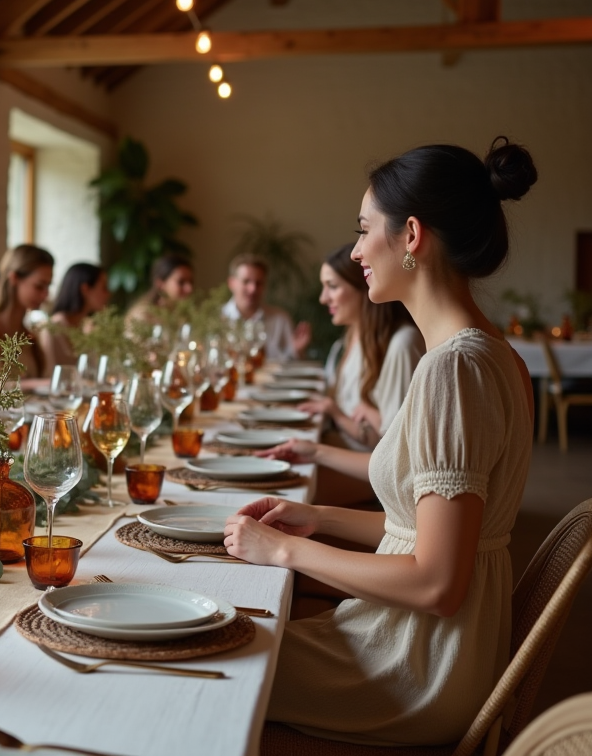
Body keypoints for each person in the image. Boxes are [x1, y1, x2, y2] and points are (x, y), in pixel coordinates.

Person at [227, 138, 537, 746]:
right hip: (419, 649)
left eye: (365, 229)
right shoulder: (490, 355)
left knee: (200, 655)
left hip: (413, 669)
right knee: (217, 632)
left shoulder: (454, 370)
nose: (359, 250)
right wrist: (315, 515)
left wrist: (282, 552)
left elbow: (436, 583)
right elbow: (425, 533)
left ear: (412, 235)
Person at [304, 243, 424, 453]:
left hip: (370, 471)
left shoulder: (401, 343)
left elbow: (398, 449)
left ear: (363, 286)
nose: (323, 298)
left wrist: (337, 414)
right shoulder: (345, 342)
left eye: (332, 286)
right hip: (344, 447)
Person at [0, 244, 54, 385]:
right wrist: (48, 383)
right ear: (14, 278)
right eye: (39, 286)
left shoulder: (28, 333)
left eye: (48, 286)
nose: (45, 294)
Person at [221, 254, 310, 363]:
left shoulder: (281, 319)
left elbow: (291, 364)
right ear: (232, 283)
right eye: (246, 281)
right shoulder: (216, 319)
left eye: (259, 283)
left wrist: (297, 351)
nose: (253, 289)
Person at [38, 262, 111, 369]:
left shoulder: (87, 327)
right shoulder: (53, 329)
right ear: (85, 289)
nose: (108, 294)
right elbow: (50, 375)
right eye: (104, 287)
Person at [125, 253, 194, 328]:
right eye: (181, 282)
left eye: (191, 282)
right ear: (160, 284)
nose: (189, 288)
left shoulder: (184, 316)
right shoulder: (142, 316)